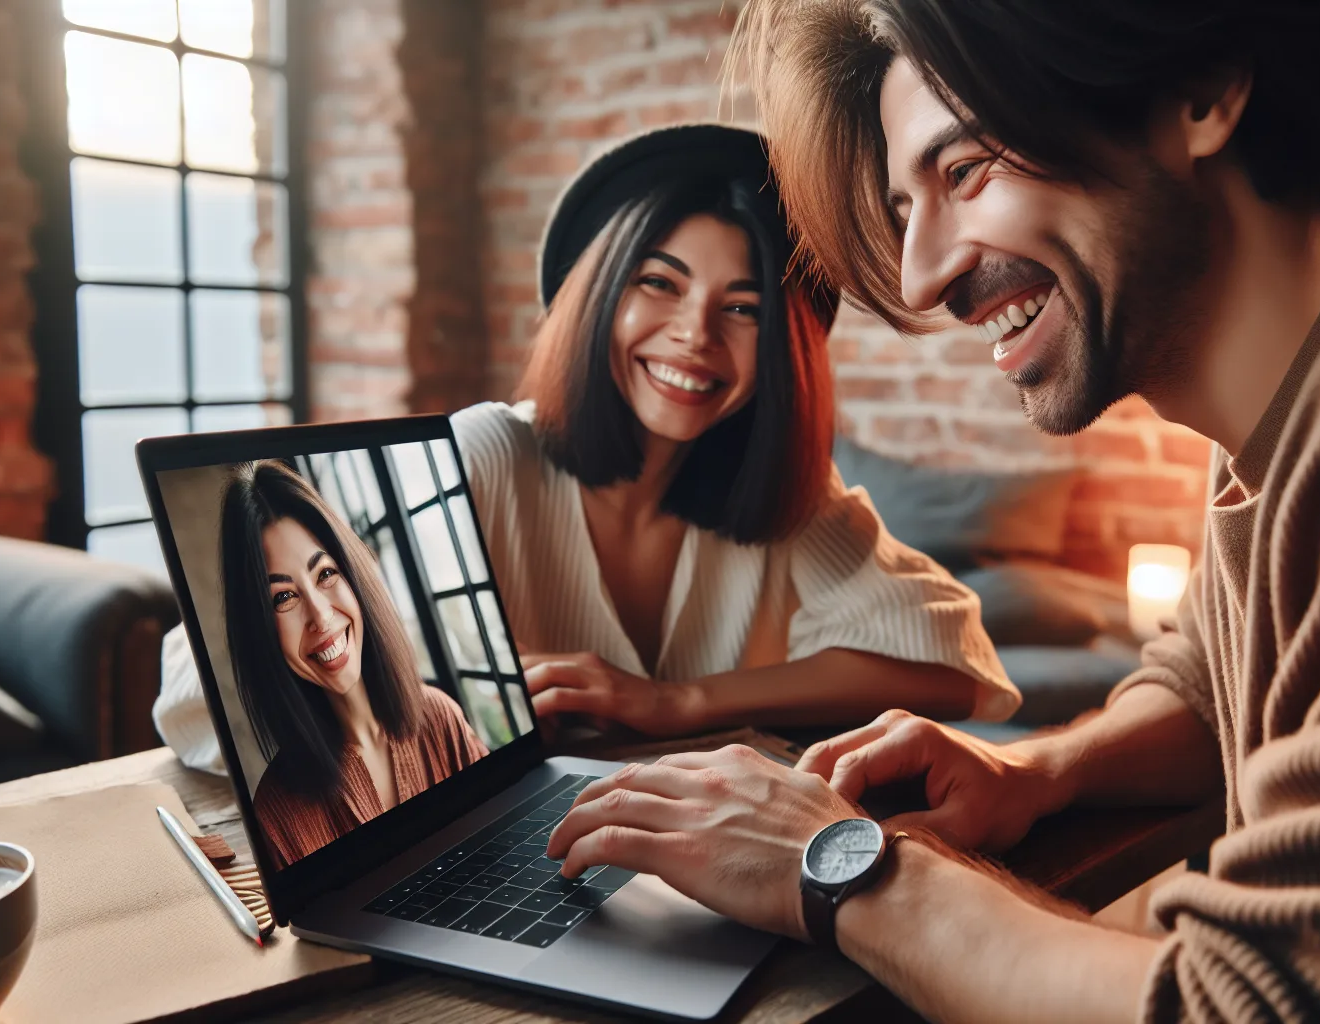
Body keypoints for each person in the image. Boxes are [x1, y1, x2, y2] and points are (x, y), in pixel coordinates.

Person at [543, 3, 1320, 1022]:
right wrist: (1034, 770)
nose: (921, 278)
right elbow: (1210, 680)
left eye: (962, 168)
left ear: (1200, 92)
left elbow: (1263, 1001)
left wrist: (832, 864)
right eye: (903, 209)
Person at [157, 124, 1018, 765]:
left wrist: (675, 703)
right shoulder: (493, 453)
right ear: (601, 296)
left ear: (785, 352)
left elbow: (945, 657)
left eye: (744, 308)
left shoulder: (785, 498)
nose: (695, 336)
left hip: (692, 873)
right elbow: (201, 681)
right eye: (659, 284)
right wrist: (453, 698)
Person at [221, 460, 488, 867]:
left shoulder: (440, 718)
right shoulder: (277, 815)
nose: (321, 616)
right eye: (283, 598)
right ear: (261, 631)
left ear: (354, 577)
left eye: (326, 573)